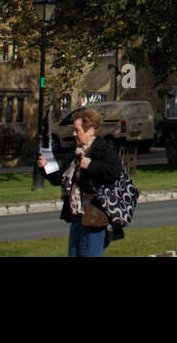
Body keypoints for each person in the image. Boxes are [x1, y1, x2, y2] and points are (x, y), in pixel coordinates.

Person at [37, 109, 123, 257]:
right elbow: (60, 178)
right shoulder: (75, 152)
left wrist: (91, 165)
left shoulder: (103, 148)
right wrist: (46, 167)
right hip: (77, 216)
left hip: (95, 216)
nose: (74, 134)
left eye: (77, 130)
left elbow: (115, 171)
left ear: (90, 130)